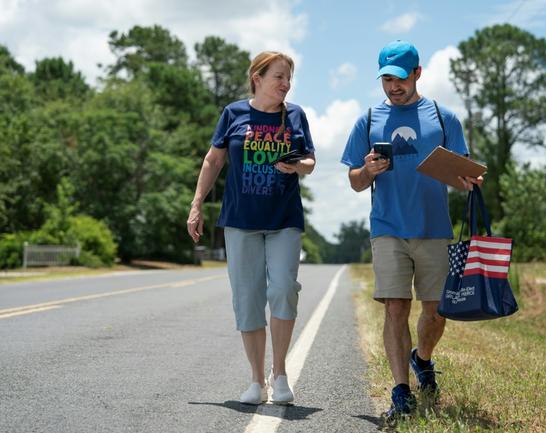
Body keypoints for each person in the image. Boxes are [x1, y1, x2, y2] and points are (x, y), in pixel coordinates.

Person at [340, 40, 482, 421]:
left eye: (400, 78)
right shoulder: (367, 120)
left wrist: (468, 179)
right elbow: (354, 181)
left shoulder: (443, 117)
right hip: (387, 228)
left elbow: (461, 170)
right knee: (396, 307)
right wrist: (366, 171)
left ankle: (422, 358)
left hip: (434, 229)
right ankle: (401, 390)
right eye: (386, 79)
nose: (393, 86)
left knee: (436, 313)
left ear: (418, 73)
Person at [187, 51, 315, 406]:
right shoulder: (233, 113)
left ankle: (280, 375)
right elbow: (214, 160)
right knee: (247, 299)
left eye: (289, 77)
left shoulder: (295, 116)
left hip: (283, 219)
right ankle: (256, 382)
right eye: (279, 76)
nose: (285, 84)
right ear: (257, 78)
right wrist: (196, 204)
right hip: (241, 222)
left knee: (284, 288)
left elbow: (310, 160)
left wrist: (296, 167)